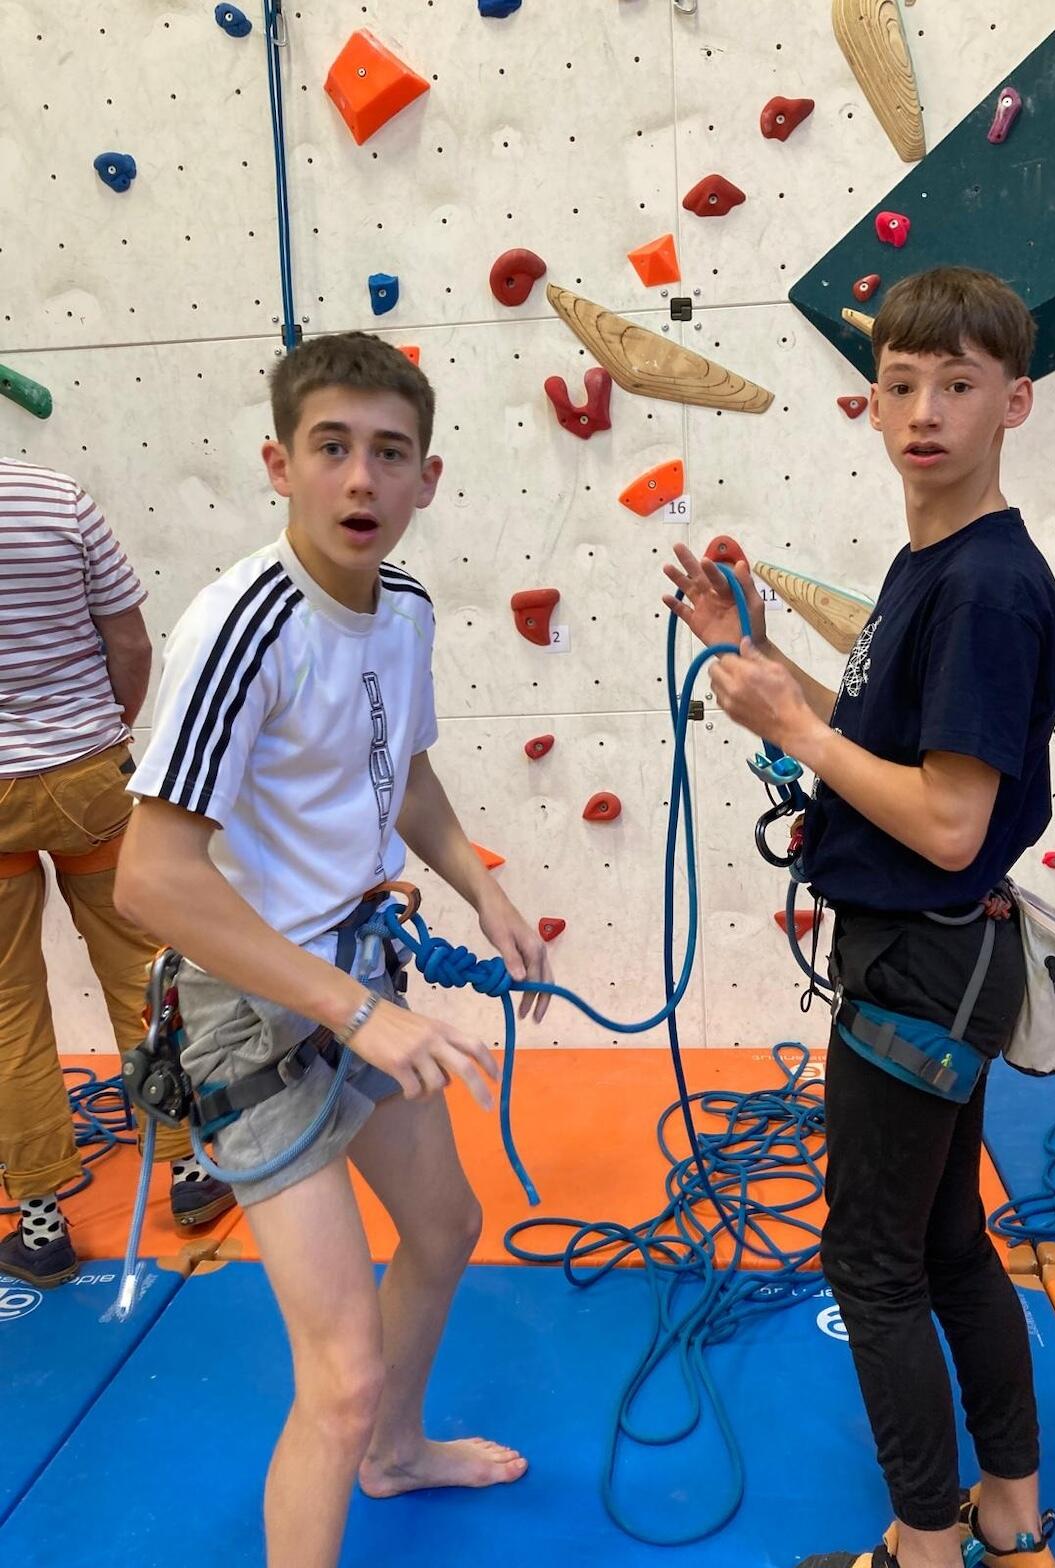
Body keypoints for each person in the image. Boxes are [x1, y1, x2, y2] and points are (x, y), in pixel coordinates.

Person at [114, 331, 552, 1568]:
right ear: (281, 465)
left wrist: (483, 887)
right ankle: (368, 1433)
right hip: (249, 1004)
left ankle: (396, 1453)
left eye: (390, 453)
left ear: (428, 479)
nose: (362, 479)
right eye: (332, 448)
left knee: (445, 1226)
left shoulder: (401, 606)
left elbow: (399, 768)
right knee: (339, 1375)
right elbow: (152, 876)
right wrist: (360, 1013)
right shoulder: (242, 627)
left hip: (358, 972)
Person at [664, 266, 1055, 1568]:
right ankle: (1008, 1511)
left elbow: (948, 821)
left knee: (875, 1264)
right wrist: (765, 660)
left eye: (958, 384)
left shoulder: (985, 586)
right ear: (872, 403)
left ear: (1014, 402)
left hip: (921, 962)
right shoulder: (933, 564)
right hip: (942, 956)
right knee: (946, 1243)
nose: (926, 411)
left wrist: (790, 726)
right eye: (902, 384)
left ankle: (924, 1547)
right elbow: (889, 749)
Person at [0, 460, 234, 1288]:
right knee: (143, 970)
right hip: (86, 775)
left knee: (6, 1009)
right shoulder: (56, 498)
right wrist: (105, 729)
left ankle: (41, 1223)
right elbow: (130, 642)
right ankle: (189, 1169)